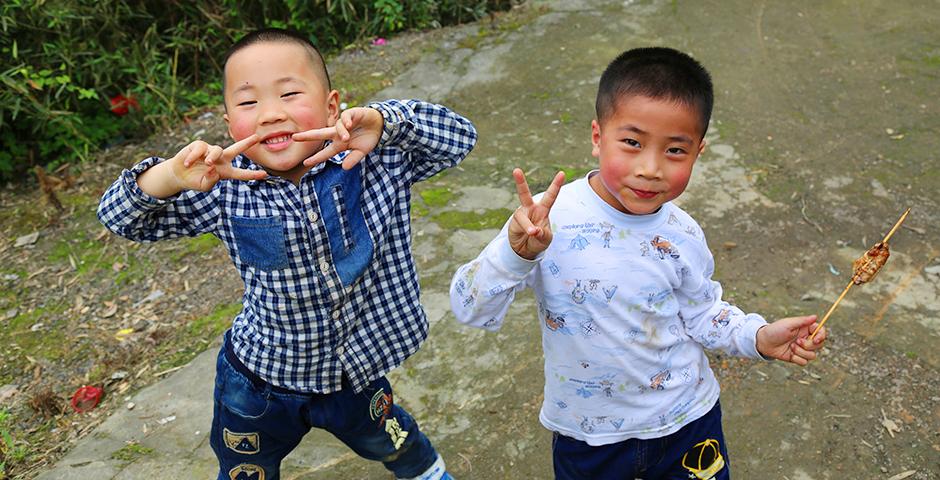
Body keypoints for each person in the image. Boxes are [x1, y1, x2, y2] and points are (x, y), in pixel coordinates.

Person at [98, 28, 476, 480]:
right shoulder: (221, 191)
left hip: (355, 373)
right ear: (228, 124)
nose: (270, 115)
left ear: (332, 106)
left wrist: (383, 120)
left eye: (290, 93)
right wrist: (170, 176)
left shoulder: (378, 160)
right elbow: (121, 217)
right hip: (261, 382)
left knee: (392, 438)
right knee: (246, 469)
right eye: (248, 103)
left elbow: (460, 136)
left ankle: (426, 472)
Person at [449, 47, 826, 479]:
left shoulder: (682, 234)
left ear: (699, 152)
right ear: (597, 137)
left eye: (675, 151)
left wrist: (756, 336)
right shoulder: (543, 222)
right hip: (589, 439)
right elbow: (469, 307)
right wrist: (515, 254)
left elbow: (702, 312)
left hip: (689, 423)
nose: (650, 169)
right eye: (631, 142)